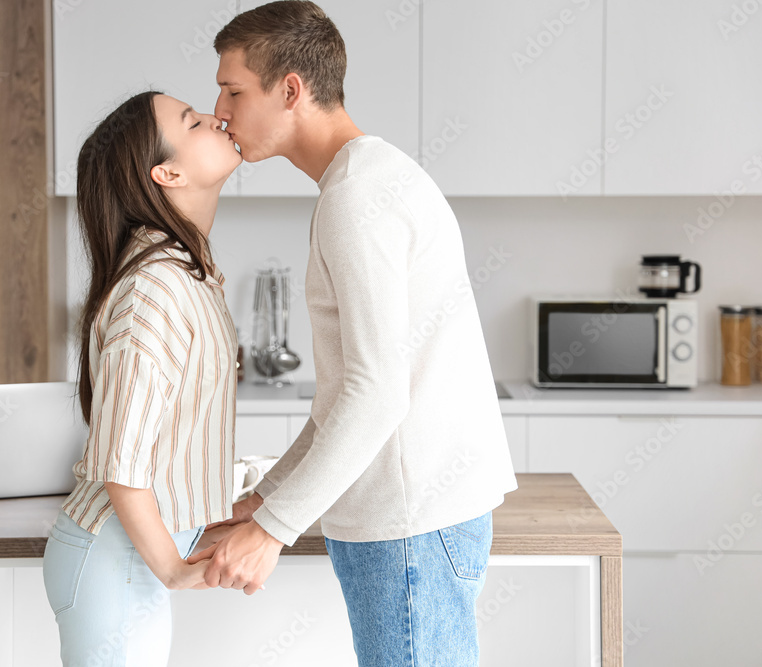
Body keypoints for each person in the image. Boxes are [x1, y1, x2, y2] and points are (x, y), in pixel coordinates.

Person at [187, 2, 519, 665]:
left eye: (232, 89)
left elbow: (375, 394)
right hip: (418, 519)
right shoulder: (369, 177)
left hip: (408, 527)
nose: (219, 109)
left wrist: (271, 531)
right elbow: (352, 393)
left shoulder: (355, 199)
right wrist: (268, 495)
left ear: (290, 89)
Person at [41, 90, 242, 666]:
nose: (216, 116)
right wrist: (174, 572)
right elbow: (121, 463)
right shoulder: (156, 286)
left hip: (128, 561)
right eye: (193, 121)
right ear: (167, 171)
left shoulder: (186, 271)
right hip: (116, 562)